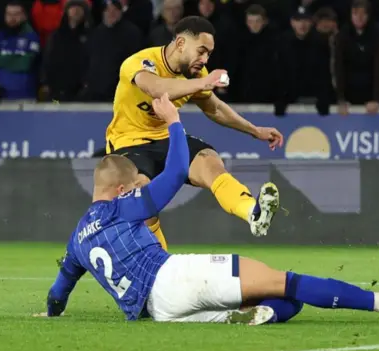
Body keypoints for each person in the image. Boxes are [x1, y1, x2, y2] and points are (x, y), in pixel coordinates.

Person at [35, 94, 379, 324]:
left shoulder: (78, 238)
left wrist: (51, 314)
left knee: (285, 303)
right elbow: (179, 169)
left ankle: (263, 314)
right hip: (176, 279)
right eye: (135, 183)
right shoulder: (124, 206)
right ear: (120, 189)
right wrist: (174, 123)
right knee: (290, 283)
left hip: (157, 311)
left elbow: (58, 291)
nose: (140, 186)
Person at [104, 16, 284, 251]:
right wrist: (203, 83)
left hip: (166, 139)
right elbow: (157, 88)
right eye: (201, 51)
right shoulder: (140, 62)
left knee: (209, 161)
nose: (205, 59)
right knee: (141, 193)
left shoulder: (196, 75)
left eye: (208, 54)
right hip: (128, 143)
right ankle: (158, 265)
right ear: (180, 43)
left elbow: (215, 108)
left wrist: (255, 131)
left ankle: (253, 212)